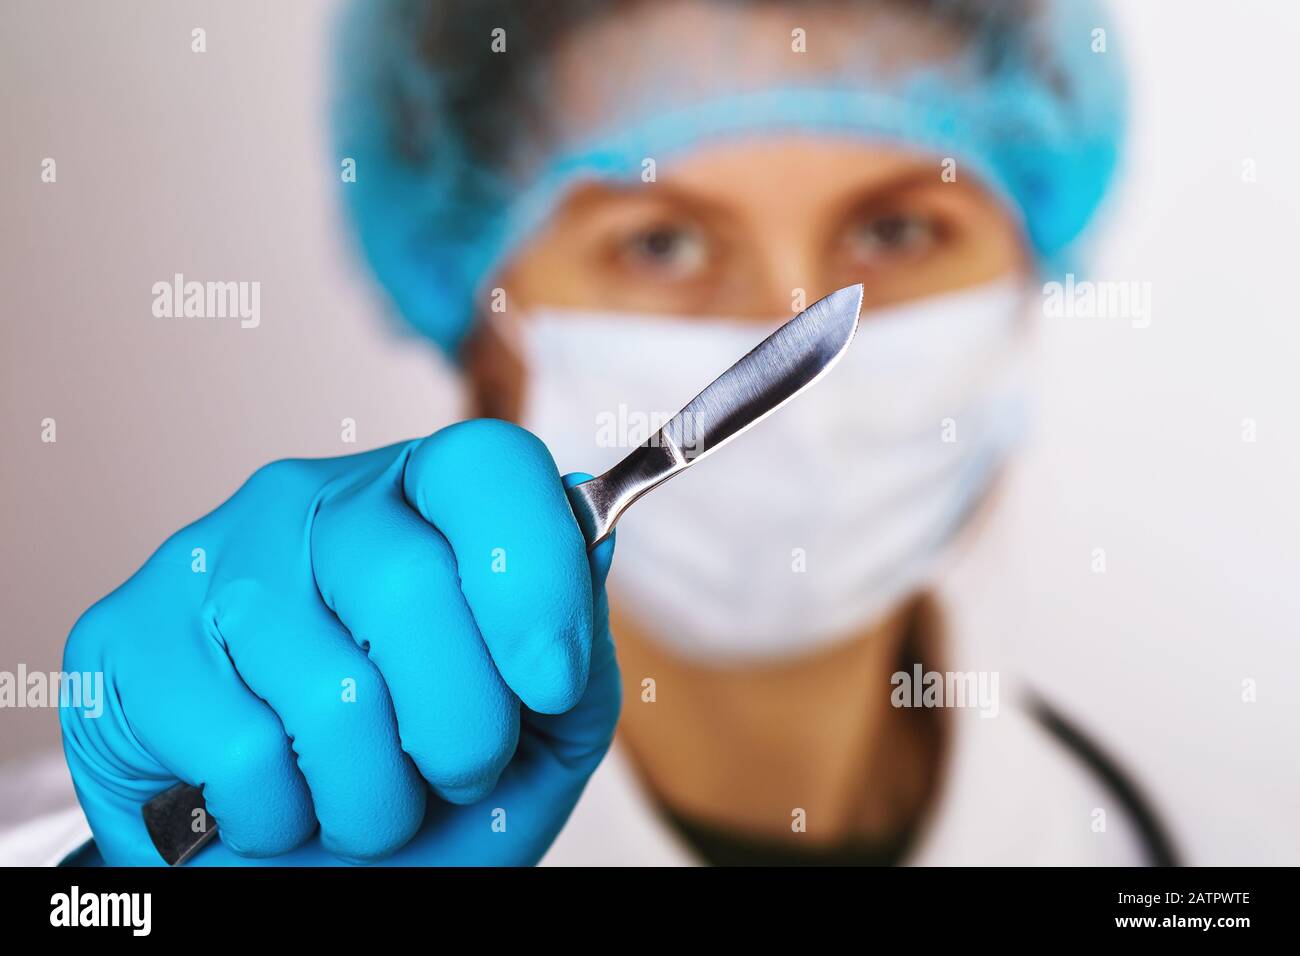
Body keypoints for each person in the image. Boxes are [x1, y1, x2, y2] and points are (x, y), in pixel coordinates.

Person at [3, 0, 1174, 866]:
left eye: (901, 228)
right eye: (661, 241)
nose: (779, 317)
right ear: (481, 324)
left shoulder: (1129, 844)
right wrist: (109, 887)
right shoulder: (223, 799)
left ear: (1028, 282)